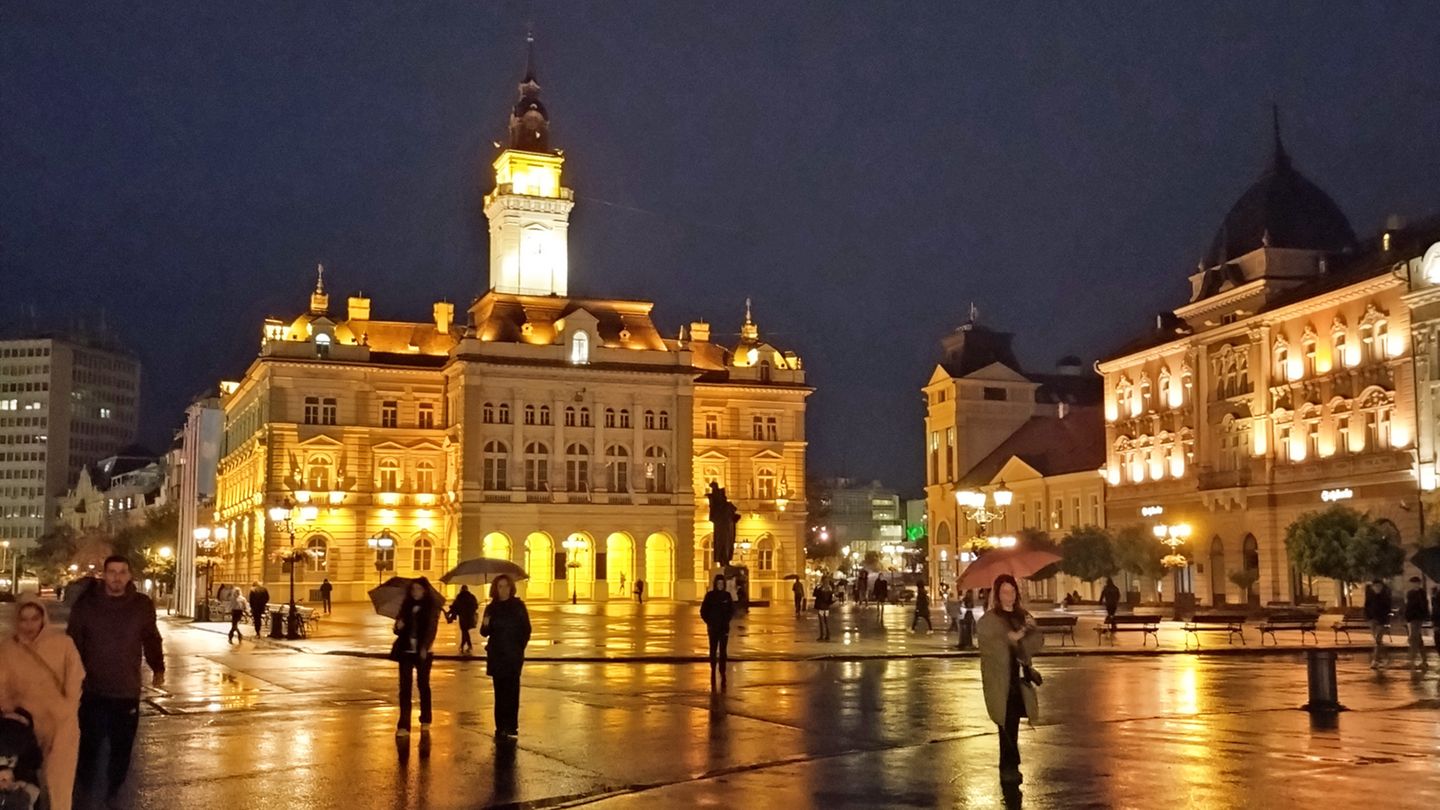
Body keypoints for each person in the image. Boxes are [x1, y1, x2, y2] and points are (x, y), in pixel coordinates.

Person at [67, 555, 165, 802]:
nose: (117, 577)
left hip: (126, 691)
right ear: (104, 574)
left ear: (129, 576)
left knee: (122, 748)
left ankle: (113, 791)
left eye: (122, 572)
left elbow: (151, 637)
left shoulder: (141, 604)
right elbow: (73, 641)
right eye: (112, 572)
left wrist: (158, 667)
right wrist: (69, 676)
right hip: (92, 690)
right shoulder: (87, 604)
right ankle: (84, 792)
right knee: (89, 746)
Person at [0, 601, 84, 810]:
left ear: (43, 619)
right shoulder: (8, 648)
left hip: (61, 722)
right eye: (24, 619)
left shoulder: (63, 644)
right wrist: (9, 713)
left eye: (34, 618)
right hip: (25, 725)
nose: (29, 625)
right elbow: (2, 686)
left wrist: (69, 707)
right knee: (26, 780)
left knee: (60, 782)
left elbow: (76, 676)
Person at [976, 574, 1043, 787]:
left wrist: (1030, 629)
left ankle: (1011, 765)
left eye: (1012, 591)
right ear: (997, 594)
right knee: (1005, 724)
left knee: (1012, 724)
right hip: (1000, 682)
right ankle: (1008, 767)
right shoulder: (990, 620)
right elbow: (994, 645)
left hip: (1018, 680)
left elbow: (1035, 644)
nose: (1009, 596)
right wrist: (1016, 636)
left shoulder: (1021, 615)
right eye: (1005, 591)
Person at [481, 575, 532, 737]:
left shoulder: (518, 606)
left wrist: (518, 648)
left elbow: (526, 629)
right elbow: (484, 633)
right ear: (495, 589)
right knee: (500, 692)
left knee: (512, 692)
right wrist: (485, 623)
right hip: (497, 654)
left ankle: (511, 726)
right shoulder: (491, 608)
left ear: (511, 588)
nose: (503, 590)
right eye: (500, 587)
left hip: (512, 655)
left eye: (506, 586)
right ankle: (500, 726)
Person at [391, 578, 441, 737]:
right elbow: (398, 629)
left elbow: (431, 629)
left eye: (418, 589)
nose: (415, 593)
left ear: (424, 591)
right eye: (413, 590)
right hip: (406, 650)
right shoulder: (406, 607)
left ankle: (426, 718)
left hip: (423, 651)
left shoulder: (431, 608)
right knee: (404, 688)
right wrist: (398, 627)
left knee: (423, 685)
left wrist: (425, 647)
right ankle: (403, 724)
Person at [700, 575, 735, 688]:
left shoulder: (727, 596)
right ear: (715, 584)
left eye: (722, 583)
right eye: (718, 583)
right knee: (713, 649)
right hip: (713, 627)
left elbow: (731, 611)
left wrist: (727, 621)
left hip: (723, 628)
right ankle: (713, 668)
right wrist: (709, 622)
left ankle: (722, 670)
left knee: (723, 650)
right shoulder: (710, 596)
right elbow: (703, 611)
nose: (720, 585)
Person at [1363, 578, 1393, 669]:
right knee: (1378, 641)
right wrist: (1368, 617)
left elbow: (1388, 608)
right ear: (1373, 587)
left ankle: (1375, 660)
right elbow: (1366, 606)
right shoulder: (1370, 595)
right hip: (1373, 620)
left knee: (1377, 640)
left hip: (1381, 621)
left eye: (1379, 586)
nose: (1377, 588)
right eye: (1376, 586)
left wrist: (1386, 620)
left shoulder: (1385, 596)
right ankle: (1385, 657)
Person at [1403, 576, 1430, 671]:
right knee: (1418, 640)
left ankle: (1412, 660)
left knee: (1413, 639)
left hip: (1417, 618)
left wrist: (1424, 616)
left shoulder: (1422, 593)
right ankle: (1424, 660)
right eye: (1413, 583)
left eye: (1416, 583)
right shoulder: (1410, 593)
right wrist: (1406, 617)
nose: (1415, 584)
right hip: (1411, 618)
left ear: (1419, 583)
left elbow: (1424, 605)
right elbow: (1408, 606)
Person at [448, 584, 480, 655]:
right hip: (470, 617)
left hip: (462, 617)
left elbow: (455, 606)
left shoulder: (459, 597)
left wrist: (450, 612)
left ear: (461, 590)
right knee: (465, 631)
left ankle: (466, 645)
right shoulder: (471, 596)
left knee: (464, 631)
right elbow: (476, 606)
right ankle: (465, 645)